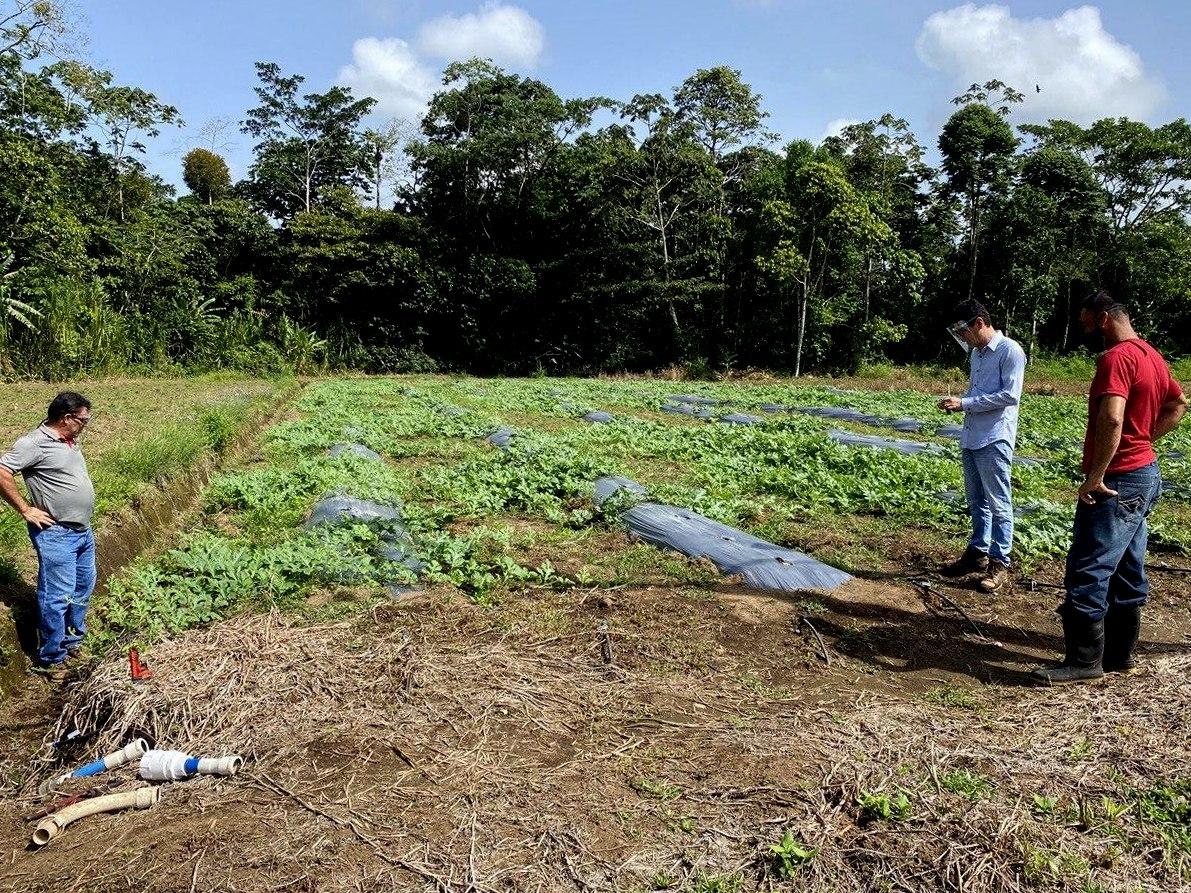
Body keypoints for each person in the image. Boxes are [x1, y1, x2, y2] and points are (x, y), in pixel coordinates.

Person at [1033, 293, 1187, 684]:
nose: (1086, 330)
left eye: (1087, 322)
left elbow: (1113, 417)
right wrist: (1146, 440)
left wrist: (1097, 474)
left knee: (1089, 566)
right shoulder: (1152, 355)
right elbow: (1179, 404)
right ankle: (1119, 655)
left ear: (1104, 318)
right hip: (1145, 473)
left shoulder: (1116, 358)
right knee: (1128, 567)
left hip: (1118, 479)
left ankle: (1084, 662)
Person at [0, 392, 97, 681]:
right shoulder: (34, 443)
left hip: (82, 531)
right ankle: (51, 657)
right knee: (58, 595)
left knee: (83, 587)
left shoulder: (69, 438)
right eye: (83, 420)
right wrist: (25, 509)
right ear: (66, 418)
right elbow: (2, 471)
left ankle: (72, 641)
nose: (86, 425)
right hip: (57, 534)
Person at [936, 299, 1027, 592]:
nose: (962, 337)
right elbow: (977, 391)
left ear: (979, 323)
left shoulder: (1010, 351)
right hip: (972, 435)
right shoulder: (976, 354)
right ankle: (977, 553)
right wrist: (961, 404)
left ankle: (1000, 562)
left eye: (964, 330)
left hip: (994, 437)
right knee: (977, 502)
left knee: (999, 503)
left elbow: (1009, 395)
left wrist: (965, 403)